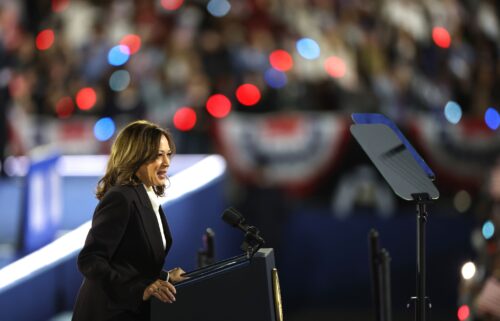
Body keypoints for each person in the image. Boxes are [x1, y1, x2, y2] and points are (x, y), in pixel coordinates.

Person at [72, 120, 187, 321]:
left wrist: (165, 278)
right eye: (158, 155)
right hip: (107, 314)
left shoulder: (146, 194)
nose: (167, 162)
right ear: (136, 157)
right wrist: (138, 291)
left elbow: (129, 262)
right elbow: (91, 260)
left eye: (168, 154)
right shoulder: (121, 198)